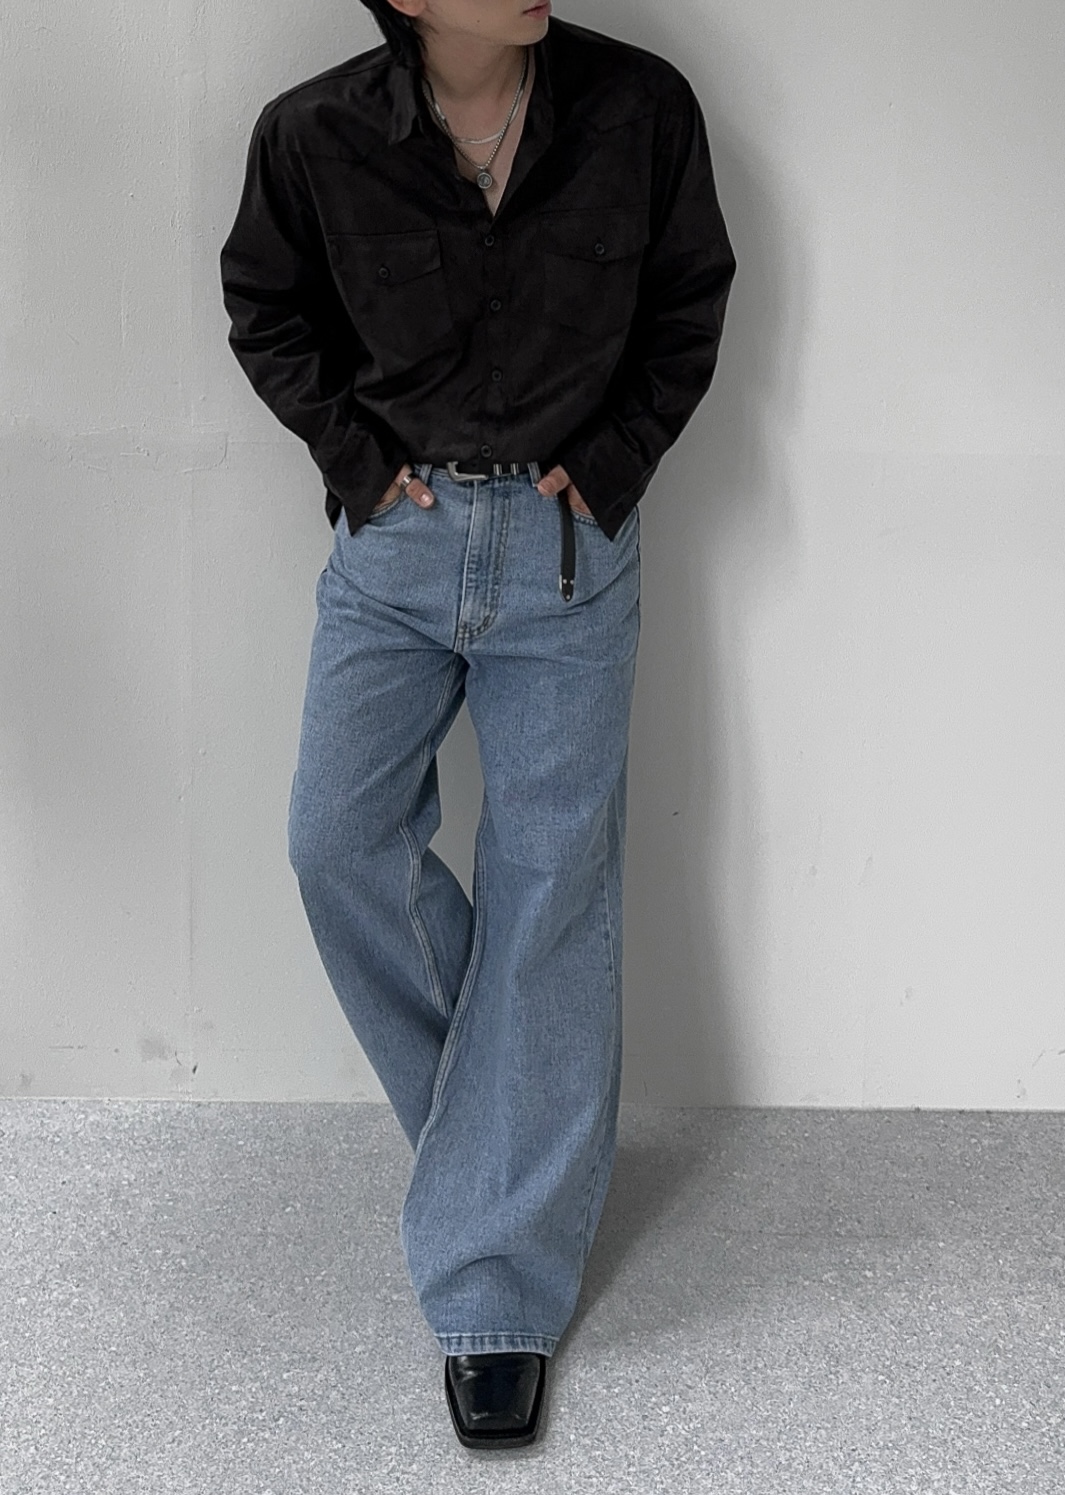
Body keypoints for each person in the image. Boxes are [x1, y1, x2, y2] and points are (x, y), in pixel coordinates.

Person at [219, 0, 735, 1449]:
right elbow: (266, 308)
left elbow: (690, 302)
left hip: (571, 553)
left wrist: (614, 462)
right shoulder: (311, 134)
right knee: (334, 842)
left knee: (549, 887)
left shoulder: (641, 110)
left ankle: (497, 1294)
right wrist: (357, 467)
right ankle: (510, 1142)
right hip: (394, 547)